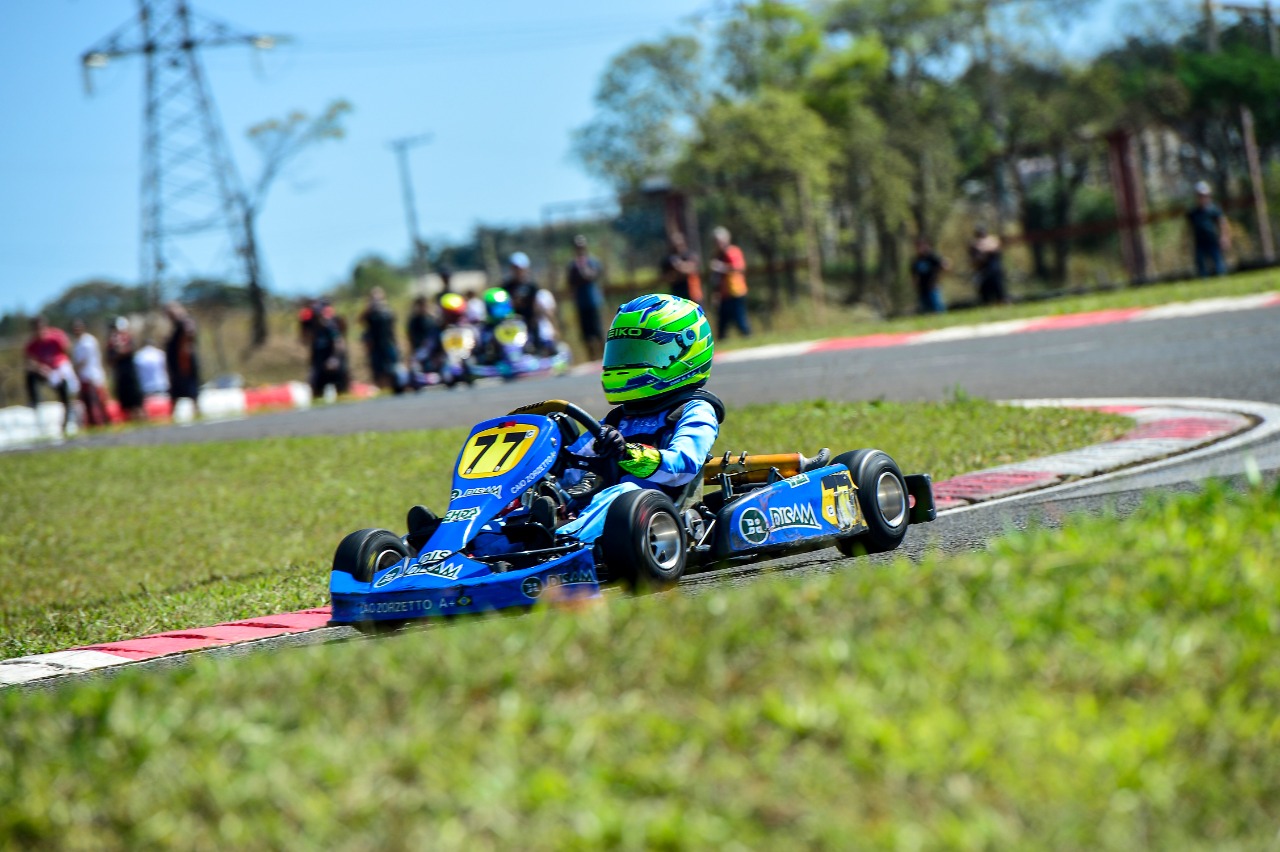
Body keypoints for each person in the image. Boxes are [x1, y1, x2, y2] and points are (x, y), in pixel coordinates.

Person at [23, 315, 77, 434]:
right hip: (45, 372)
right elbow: (29, 361)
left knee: (65, 393)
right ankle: (35, 401)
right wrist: (39, 367)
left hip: (60, 369)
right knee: (30, 374)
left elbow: (67, 351)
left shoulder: (56, 336)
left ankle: (66, 423)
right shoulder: (32, 344)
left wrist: (63, 368)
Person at [566, 235, 605, 360]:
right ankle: (592, 357)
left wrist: (585, 270)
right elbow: (570, 282)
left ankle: (605, 356)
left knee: (598, 331)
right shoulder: (572, 265)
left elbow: (594, 275)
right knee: (586, 334)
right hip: (581, 302)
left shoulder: (592, 261)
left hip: (593, 301)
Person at [709, 226, 750, 339]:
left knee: (740, 320)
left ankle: (747, 338)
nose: (717, 244)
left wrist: (721, 267)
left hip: (736, 292)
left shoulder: (732, 251)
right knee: (722, 324)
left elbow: (739, 268)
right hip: (724, 294)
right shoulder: (717, 255)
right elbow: (716, 278)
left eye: (719, 241)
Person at [360, 287, 402, 393]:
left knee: (392, 366)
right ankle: (380, 387)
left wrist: (397, 343)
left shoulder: (388, 312)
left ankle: (394, 386)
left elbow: (392, 329)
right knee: (377, 367)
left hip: (388, 343)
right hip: (375, 344)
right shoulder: (370, 314)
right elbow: (360, 321)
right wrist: (368, 308)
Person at [164, 301, 201, 418]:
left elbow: (190, 333)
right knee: (175, 391)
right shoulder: (175, 326)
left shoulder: (185, 322)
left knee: (190, 388)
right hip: (176, 364)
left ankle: (196, 411)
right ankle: (172, 415)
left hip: (184, 362)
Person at [1188, 181, 1231, 277]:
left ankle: (1222, 279)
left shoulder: (1214, 209)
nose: (1202, 198)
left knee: (1218, 264)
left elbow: (1222, 223)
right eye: (1199, 196)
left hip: (1212, 241)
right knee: (1201, 266)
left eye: (1204, 195)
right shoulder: (1193, 213)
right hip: (1199, 243)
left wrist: (1224, 237)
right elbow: (1188, 229)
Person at [70, 319, 109, 427]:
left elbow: (84, 360)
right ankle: (93, 423)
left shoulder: (87, 342)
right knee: (87, 403)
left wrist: (75, 369)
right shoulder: (78, 343)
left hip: (91, 376)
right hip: (84, 377)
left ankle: (102, 422)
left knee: (96, 401)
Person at [106, 317, 145, 419]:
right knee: (125, 401)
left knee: (135, 399)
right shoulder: (111, 342)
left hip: (130, 372)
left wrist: (119, 352)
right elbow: (110, 358)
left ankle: (140, 417)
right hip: (120, 374)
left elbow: (128, 351)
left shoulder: (127, 338)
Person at [310, 303, 350, 398]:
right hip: (320, 364)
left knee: (340, 390)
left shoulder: (330, 326)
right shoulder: (316, 328)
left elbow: (339, 342)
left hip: (332, 364)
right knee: (316, 389)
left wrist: (334, 358)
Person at [969, 226, 1008, 305]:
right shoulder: (974, 244)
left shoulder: (992, 240)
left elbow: (996, 247)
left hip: (994, 269)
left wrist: (984, 249)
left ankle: (1002, 302)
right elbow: (974, 259)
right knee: (985, 293)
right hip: (982, 271)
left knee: (999, 290)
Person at [661, 232, 702, 304]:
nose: (677, 247)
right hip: (677, 296)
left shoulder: (690, 256)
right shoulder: (668, 261)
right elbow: (666, 278)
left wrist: (679, 266)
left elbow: (691, 270)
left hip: (693, 294)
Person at [911, 238, 950, 314]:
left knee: (938, 308)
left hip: (933, 287)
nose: (920, 248)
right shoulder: (916, 260)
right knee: (926, 310)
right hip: (922, 289)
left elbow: (945, 265)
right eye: (918, 246)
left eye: (921, 245)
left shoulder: (932, 257)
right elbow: (914, 276)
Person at [407, 295, 442, 376]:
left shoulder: (431, 319)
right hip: (419, 349)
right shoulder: (414, 320)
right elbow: (411, 336)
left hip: (432, 350)